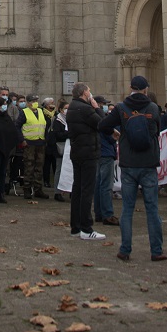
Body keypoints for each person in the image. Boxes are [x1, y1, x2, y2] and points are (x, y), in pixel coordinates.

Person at [99, 75, 166, 262]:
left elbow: (102, 125)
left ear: (130, 87)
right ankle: (157, 250)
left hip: (128, 164)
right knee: (152, 208)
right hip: (148, 163)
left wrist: (116, 134)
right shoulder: (153, 108)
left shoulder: (121, 108)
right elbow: (157, 132)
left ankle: (125, 249)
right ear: (145, 89)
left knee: (127, 208)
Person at [66, 82, 106, 241]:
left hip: (77, 151)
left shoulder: (72, 108)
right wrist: (97, 107)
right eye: (89, 91)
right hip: (88, 152)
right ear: (84, 93)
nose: (91, 93)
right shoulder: (85, 108)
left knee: (77, 189)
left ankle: (75, 227)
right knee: (87, 190)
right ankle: (86, 228)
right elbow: (102, 124)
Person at [17, 93, 49, 199]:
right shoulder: (24, 112)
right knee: (29, 167)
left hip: (40, 143)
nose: (35, 103)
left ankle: (38, 189)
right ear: (28, 103)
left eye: (36, 101)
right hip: (29, 143)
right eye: (33, 101)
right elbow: (17, 127)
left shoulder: (40, 111)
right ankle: (27, 189)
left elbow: (45, 125)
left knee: (39, 167)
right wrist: (22, 140)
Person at [93, 97, 119, 226]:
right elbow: (109, 136)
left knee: (98, 184)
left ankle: (98, 213)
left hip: (97, 153)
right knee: (106, 186)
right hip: (105, 152)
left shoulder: (92, 117)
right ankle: (107, 214)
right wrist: (114, 138)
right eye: (102, 104)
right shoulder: (102, 119)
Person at [51, 98, 70, 202]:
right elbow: (57, 135)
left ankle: (70, 190)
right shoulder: (58, 120)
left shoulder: (71, 120)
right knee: (59, 169)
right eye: (66, 108)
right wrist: (68, 134)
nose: (68, 110)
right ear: (61, 110)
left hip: (70, 148)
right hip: (61, 148)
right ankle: (57, 192)